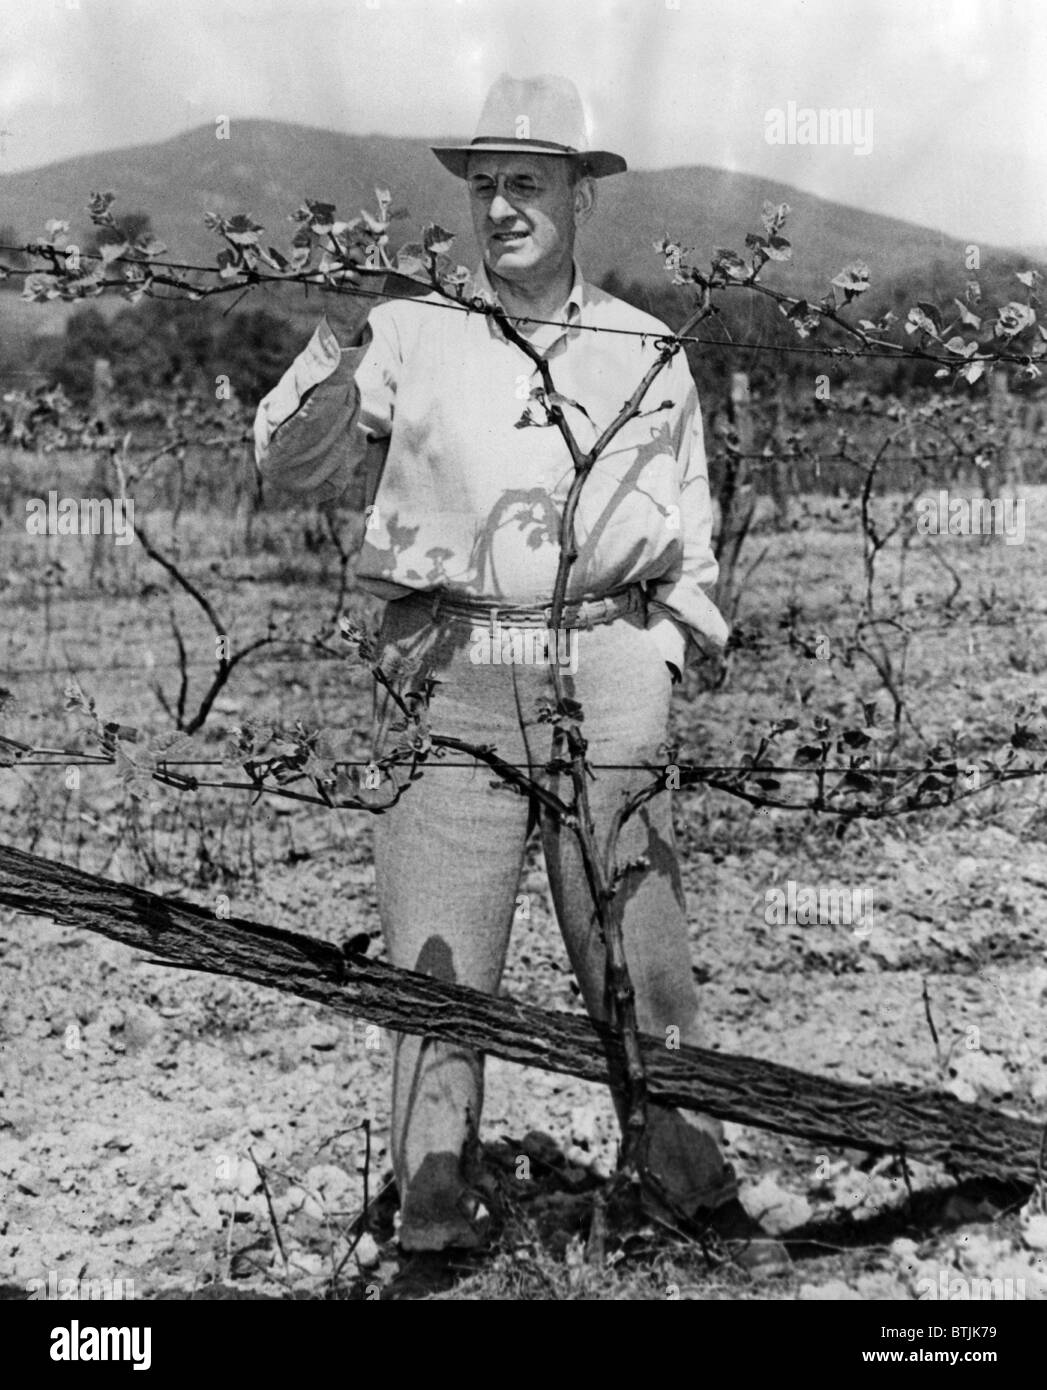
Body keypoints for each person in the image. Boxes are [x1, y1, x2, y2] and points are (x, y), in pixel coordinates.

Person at [255, 73, 783, 1268]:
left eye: (528, 184)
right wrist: (332, 348)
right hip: (456, 664)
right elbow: (288, 465)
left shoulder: (644, 346)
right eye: (486, 185)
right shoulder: (409, 331)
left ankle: (683, 1189)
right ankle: (434, 1219)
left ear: (578, 197)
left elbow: (690, 515)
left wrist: (665, 637)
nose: (502, 208)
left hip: (607, 661)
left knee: (641, 940)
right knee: (439, 952)